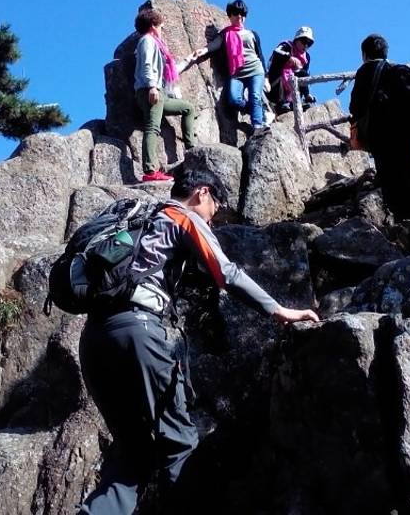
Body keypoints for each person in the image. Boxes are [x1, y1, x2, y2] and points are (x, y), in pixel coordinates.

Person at [77, 166, 319, 514]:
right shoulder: (182, 216)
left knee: (134, 454)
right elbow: (226, 273)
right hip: (138, 333)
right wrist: (278, 309)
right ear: (202, 192)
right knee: (179, 444)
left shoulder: (141, 220)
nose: (212, 219)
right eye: (214, 208)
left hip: (94, 339)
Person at [349, 33, 410, 222]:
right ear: (386, 52)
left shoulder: (365, 72)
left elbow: (355, 106)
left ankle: (404, 223)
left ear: (364, 54)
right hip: (409, 134)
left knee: (392, 180)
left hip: (381, 137)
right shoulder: (401, 71)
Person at [190, 0, 272, 137]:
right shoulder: (225, 34)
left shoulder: (252, 34)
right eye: (236, 13)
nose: (239, 16)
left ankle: (258, 127)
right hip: (236, 72)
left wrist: (266, 78)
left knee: (255, 96)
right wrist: (202, 51)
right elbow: (214, 45)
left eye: (242, 14)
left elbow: (260, 55)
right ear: (230, 15)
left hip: (255, 70)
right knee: (234, 99)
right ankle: (260, 112)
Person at [134, 8, 197, 182]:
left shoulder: (156, 44)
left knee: (188, 108)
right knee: (152, 127)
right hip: (149, 90)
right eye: (161, 26)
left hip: (159, 92)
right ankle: (150, 171)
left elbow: (168, 70)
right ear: (153, 26)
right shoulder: (147, 41)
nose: (162, 29)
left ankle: (191, 149)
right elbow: (147, 65)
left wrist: (189, 59)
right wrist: (152, 87)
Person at [267, 27, 316, 114]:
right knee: (279, 72)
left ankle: (300, 100)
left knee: (303, 74)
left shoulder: (306, 58)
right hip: (274, 83)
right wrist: (290, 58)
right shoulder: (287, 45)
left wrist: (306, 92)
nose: (306, 45)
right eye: (304, 41)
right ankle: (280, 103)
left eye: (309, 43)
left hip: (292, 84)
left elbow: (305, 75)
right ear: (297, 39)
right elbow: (276, 52)